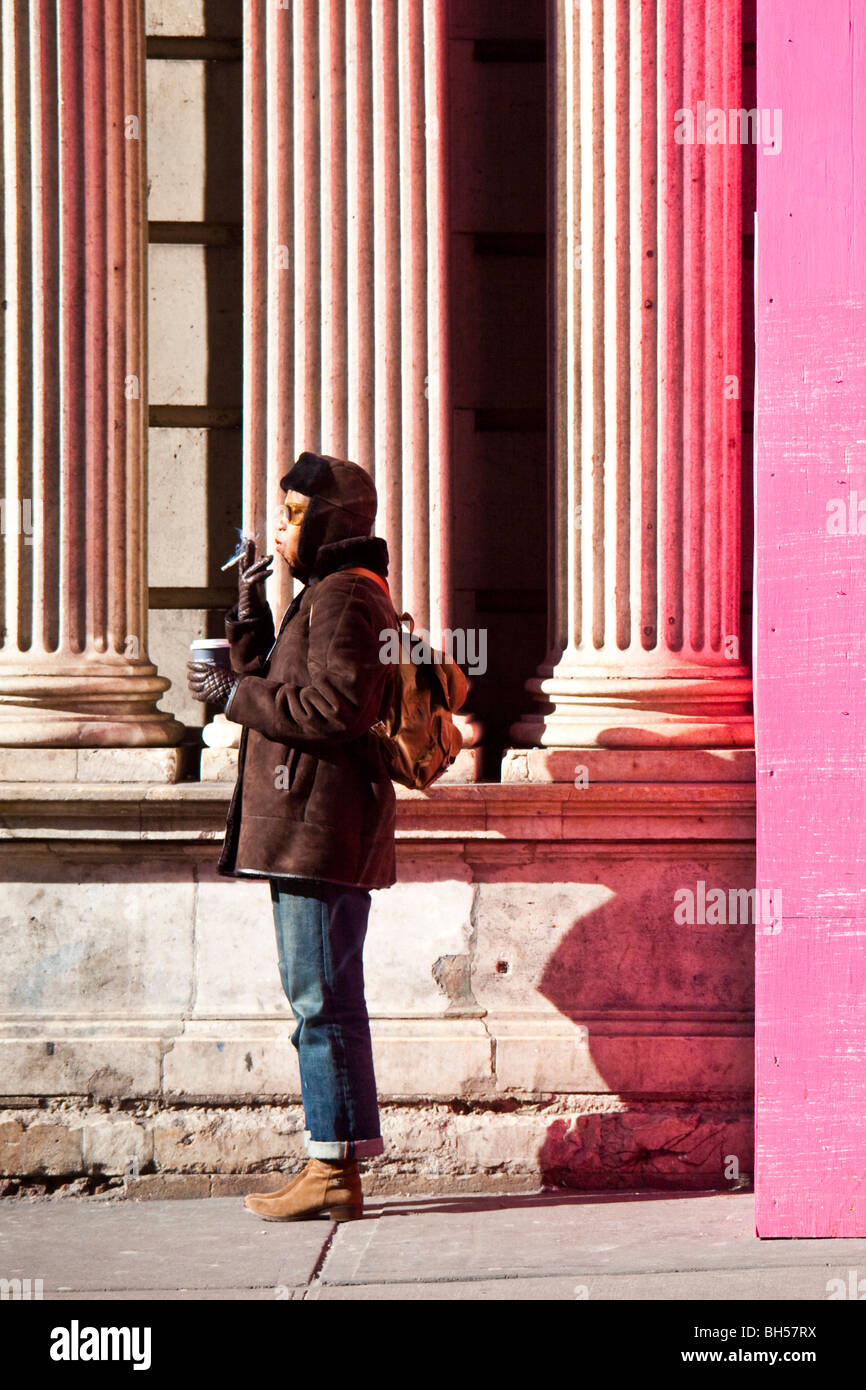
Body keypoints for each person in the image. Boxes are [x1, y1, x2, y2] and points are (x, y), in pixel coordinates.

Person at [187, 451, 398, 1222]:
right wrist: (248, 614)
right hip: (312, 828)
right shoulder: (326, 594)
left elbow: (329, 710)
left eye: (291, 516)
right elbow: (281, 689)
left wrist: (233, 693)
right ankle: (332, 1160)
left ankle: (333, 1170)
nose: (277, 528)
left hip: (322, 830)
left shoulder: (348, 599)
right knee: (324, 996)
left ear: (329, 523)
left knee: (321, 1000)